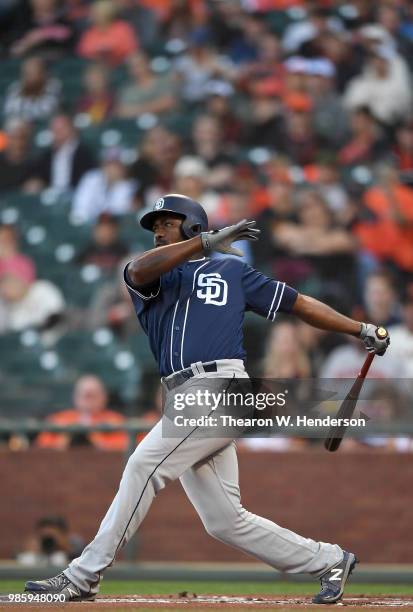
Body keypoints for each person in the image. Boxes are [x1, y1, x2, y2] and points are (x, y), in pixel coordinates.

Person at [25, 194, 390, 604]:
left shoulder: (232, 269)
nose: (158, 231)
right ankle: (329, 561)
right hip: (182, 393)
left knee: (144, 464)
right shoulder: (153, 274)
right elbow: (138, 268)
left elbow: (299, 304)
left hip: (221, 386)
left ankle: (83, 575)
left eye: (168, 222)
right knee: (224, 521)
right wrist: (204, 243)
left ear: (194, 225)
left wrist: (358, 328)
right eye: (155, 225)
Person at [36, 375, 128, 451]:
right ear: (75, 396)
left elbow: (127, 446)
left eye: (93, 396)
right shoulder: (58, 419)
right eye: (85, 396)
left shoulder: (116, 421)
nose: (89, 400)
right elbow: (42, 444)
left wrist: (97, 441)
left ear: (104, 397)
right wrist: (65, 441)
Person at [26, 113, 96, 192]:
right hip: (51, 195)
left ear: (71, 129)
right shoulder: (47, 155)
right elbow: (38, 176)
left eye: (61, 129)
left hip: (77, 194)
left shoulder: (84, 153)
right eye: (54, 129)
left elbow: (89, 178)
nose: (57, 133)